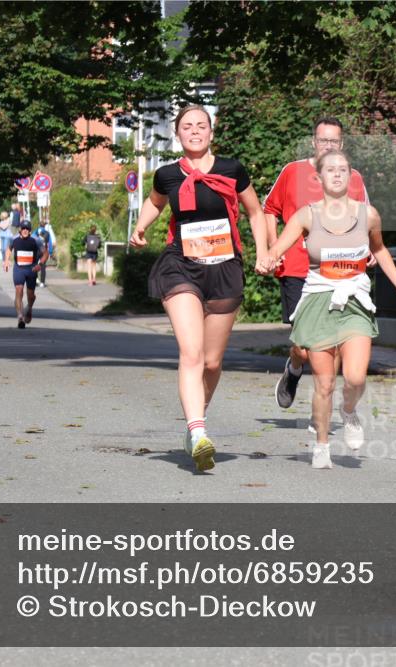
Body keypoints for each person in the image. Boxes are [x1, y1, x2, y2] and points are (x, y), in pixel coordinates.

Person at [257, 150, 396, 469]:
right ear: (318, 178)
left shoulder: (369, 215)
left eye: (343, 170)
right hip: (320, 299)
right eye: (330, 170)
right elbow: (277, 248)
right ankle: (321, 444)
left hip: (355, 301)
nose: (337, 174)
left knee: (355, 377)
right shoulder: (306, 216)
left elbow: (380, 250)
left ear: (351, 177)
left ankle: (349, 412)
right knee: (324, 382)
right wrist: (267, 260)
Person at [129, 105, 269, 473]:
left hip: (224, 266)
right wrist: (140, 228)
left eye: (201, 126)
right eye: (187, 127)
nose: (194, 131)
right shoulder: (167, 174)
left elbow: (255, 211)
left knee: (211, 361)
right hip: (181, 266)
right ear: (178, 134)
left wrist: (264, 253)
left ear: (211, 131)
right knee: (190, 352)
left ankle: (195, 423)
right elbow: (155, 203)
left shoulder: (232, 170)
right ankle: (198, 430)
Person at [264, 117, 370, 421]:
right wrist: (275, 250)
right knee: (305, 346)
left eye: (333, 141)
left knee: (332, 344)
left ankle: (321, 410)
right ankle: (294, 367)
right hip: (297, 269)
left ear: (342, 144)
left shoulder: (354, 178)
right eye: (323, 140)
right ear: (314, 142)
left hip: (339, 273)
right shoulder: (293, 172)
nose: (328, 146)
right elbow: (269, 210)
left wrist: (369, 252)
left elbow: (364, 219)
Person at [3, 220, 47, 329]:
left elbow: (46, 254)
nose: (25, 231)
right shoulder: (14, 239)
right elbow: (8, 249)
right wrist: (6, 261)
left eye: (27, 229)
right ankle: (20, 317)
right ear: (20, 229)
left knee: (31, 295)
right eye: (23, 228)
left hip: (31, 270)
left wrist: (40, 264)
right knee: (19, 290)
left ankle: (29, 308)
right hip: (19, 269)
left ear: (30, 231)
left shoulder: (36, 240)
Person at [34, 219, 54, 287]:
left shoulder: (35, 232)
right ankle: (42, 282)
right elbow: (50, 243)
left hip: (36, 250)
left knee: (35, 264)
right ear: (45, 225)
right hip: (44, 251)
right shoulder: (47, 233)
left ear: (39, 225)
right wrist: (50, 252)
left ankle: (36, 280)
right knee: (43, 267)